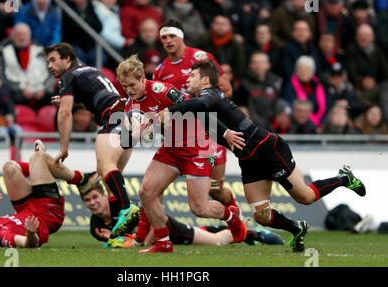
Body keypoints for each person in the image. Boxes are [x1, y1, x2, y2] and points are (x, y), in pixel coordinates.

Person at [159, 60, 367, 252]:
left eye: (192, 75)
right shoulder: (203, 105)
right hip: (249, 160)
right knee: (261, 216)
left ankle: (344, 178)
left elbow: (201, 106)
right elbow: (211, 127)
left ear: (205, 80)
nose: (187, 78)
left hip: (268, 149)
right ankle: (296, 228)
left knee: (305, 197)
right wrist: (218, 139)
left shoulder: (212, 94)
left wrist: (170, 111)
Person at [114, 55, 247, 253]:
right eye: (125, 86)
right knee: (146, 193)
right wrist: (134, 131)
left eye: (133, 85)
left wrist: (224, 132)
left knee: (199, 208)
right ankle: (163, 243)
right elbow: (126, 143)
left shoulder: (161, 90)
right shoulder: (130, 105)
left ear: (143, 78)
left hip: (196, 148)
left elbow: (198, 108)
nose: (129, 90)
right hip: (171, 148)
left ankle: (232, 216)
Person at [43, 42, 139, 239]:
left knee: (105, 167)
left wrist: (63, 148)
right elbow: (94, 95)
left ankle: (127, 209)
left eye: (53, 60)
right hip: (129, 118)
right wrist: (72, 99)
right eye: (47, 62)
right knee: (109, 178)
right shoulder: (89, 70)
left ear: (67, 59)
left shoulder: (68, 76)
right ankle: (121, 236)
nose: (50, 65)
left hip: (113, 116)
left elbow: (65, 114)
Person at [153, 20, 236, 213]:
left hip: (210, 130)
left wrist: (194, 101)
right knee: (153, 188)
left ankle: (237, 217)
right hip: (182, 137)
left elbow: (226, 89)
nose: (168, 40)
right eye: (164, 37)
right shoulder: (160, 71)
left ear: (181, 36)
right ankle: (152, 233)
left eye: (172, 35)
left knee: (215, 189)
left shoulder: (200, 58)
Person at [80, 175, 284, 248]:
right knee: (202, 231)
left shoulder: (123, 207)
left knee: (215, 242)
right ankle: (240, 231)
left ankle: (254, 234)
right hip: (153, 237)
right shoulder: (95, 227)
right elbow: (120, 243)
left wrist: (153, 240)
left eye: (95, 197)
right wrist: (110, 240)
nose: (92, 203)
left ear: (105, 196)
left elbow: (151, 217)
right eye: (87, 200)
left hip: (164, 228)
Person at [0, 139, 85, 247]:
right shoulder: (2, 237)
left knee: (9, 167)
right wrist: (30, 234)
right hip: (46, 216)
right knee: (38, 157)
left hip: (25, 208)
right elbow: (28, 244)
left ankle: (40, 166)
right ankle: (81, 179)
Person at [0, 23, 54, 110]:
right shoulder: (4, 52)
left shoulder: (41, 51)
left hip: (42, 93)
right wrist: (21, 89)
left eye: (24, 34)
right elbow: (2, 77)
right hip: (17, 94)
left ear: (30, 36)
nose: (22, 38)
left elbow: (53, 74)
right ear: (12, 37)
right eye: (18, 35)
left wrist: (43, 89)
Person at [194, 13, 246, 81]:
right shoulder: (203, 40)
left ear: (230, 26)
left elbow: (240, 66)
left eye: (223, 24)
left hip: (229, 78)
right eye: (217, 23)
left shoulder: (235, 44)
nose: (220, 27)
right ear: (212, 25)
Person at [281, 56, 327, 128]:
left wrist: (322, 122)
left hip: (319, 124)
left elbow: (325, 107)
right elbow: (293, 106)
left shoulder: (318, 85)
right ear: (296, 71)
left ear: (312, 72)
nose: (304, 72)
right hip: (298, 124)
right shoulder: (290, 86)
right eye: (301, 69)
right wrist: (314, 123)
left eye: (307, 70)